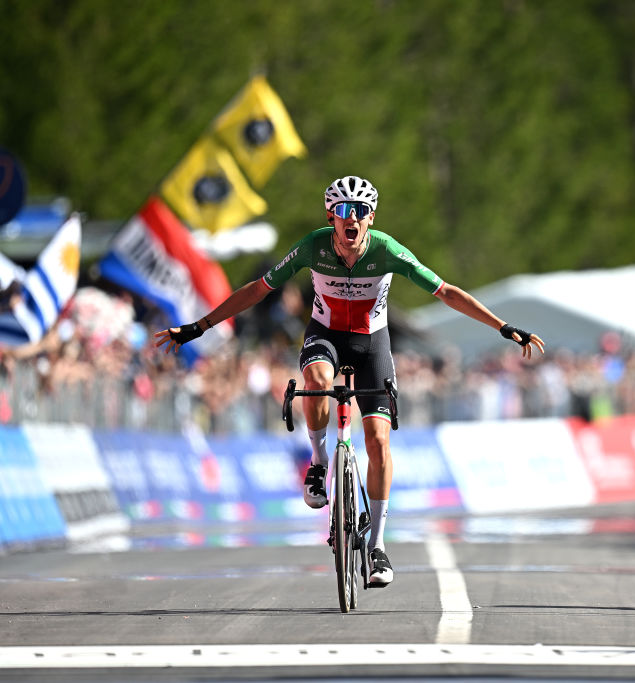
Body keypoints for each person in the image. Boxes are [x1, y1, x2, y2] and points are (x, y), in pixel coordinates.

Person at [155, 175, 544, 587]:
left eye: (360, 211)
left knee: (377, 440)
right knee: (317, 378)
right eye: (343, 211)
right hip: (325, 334)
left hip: (372, 343)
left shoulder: (387, 250)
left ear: (371, 218)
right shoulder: (312, 246)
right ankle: (320, 465)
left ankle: (376, 547)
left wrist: (502, 327)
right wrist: (200, 326)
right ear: (332, 217)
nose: (351, 218)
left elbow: (445, 291)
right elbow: (259, 290)